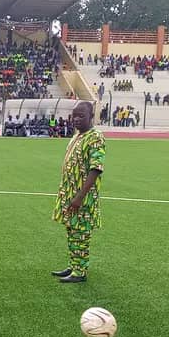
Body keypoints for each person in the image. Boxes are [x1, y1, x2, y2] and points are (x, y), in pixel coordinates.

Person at [51, 101, 106, 283]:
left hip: (83, 198)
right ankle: (74, 264)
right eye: (74, 115)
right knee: (71, 230)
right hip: (69, 193)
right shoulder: (77, 136)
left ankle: (80, 271)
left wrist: (79, 197)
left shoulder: (95, 137)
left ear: (91, 117)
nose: (76, 119)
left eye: (81, 116)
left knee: (81, 232)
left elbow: (96, 168)